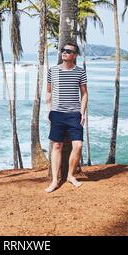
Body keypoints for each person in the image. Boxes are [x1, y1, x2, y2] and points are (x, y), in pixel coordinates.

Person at [45, 42, 88, 193]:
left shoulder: (80, 72)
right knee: (57, 146)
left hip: (74, 114)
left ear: (74, 55)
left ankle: (70, 175)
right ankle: (55, 180)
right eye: (63, 50)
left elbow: (84, 93)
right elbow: (49, 92)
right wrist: (48, 110)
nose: (64, 53)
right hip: (57, 113)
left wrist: (82, 112)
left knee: (78, 145)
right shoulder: (53, 71)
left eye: (68, 51)